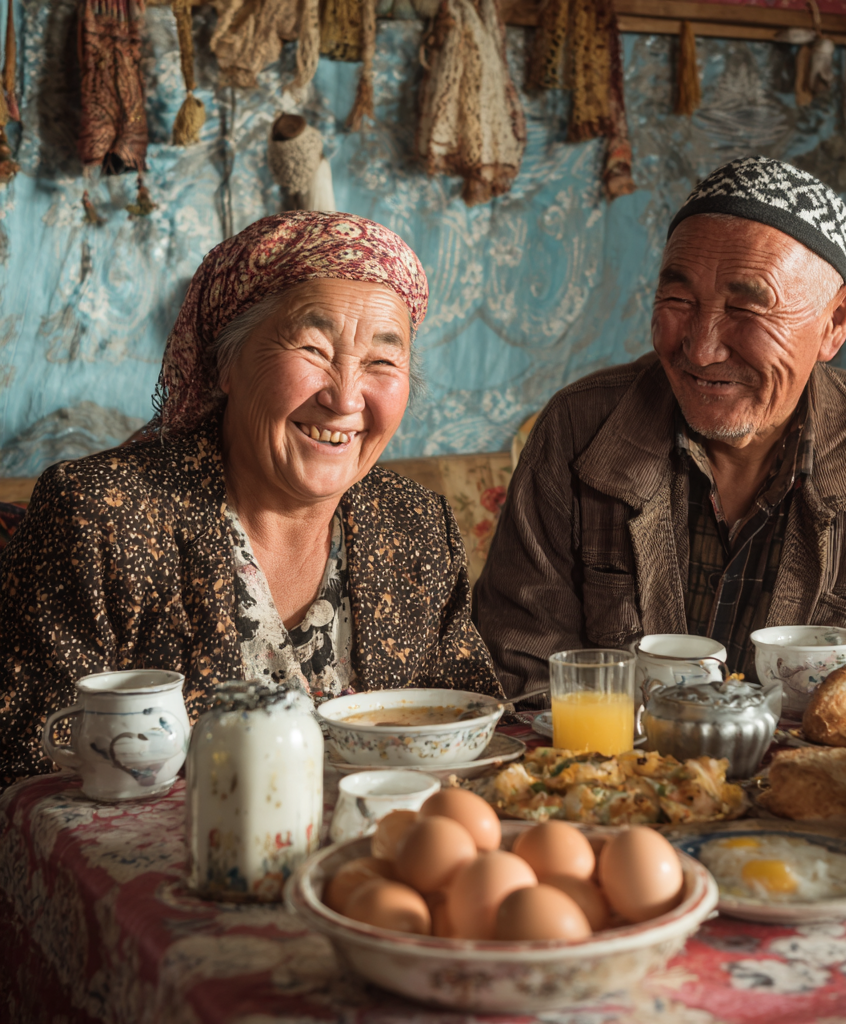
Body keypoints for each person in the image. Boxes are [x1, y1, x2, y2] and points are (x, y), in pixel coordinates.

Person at [0, 211, 501, 787]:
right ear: (226, 365)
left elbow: (473, 732)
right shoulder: (103, 514)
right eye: (314, 349)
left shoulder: (414, 524)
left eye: (382, 361)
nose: (344, 398)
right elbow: (29, 770)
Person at [474, 156, 846, 699]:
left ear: (836, 321)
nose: (701, 350)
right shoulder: (578, 428)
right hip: (608, 776)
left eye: (747, 309)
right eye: (679, 300)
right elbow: (525, 676)